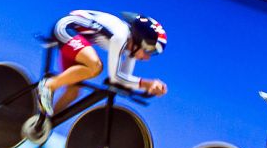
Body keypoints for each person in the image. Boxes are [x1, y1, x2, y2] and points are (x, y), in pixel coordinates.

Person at [36, 10, 168, 117]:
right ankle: (48, 86)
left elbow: (121, 81)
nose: (147, 57)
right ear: (140, 40)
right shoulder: (120, 36)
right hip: (65, 28)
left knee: (73, 92)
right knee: (95, 66)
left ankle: (43, 122)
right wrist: (146, 84)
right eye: (149, 51)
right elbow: (115, 77)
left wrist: (148, 88)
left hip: (77, 39)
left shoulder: (130, 50)